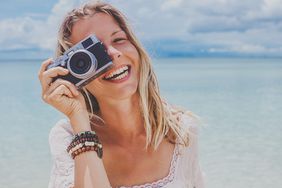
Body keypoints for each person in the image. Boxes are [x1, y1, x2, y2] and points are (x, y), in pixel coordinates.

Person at [38, 1, 204, 188]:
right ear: (72, 73)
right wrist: (79, 119)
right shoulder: (67, 136)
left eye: (118, 40)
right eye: (92, 53)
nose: (114, 53)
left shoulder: (181, 130)